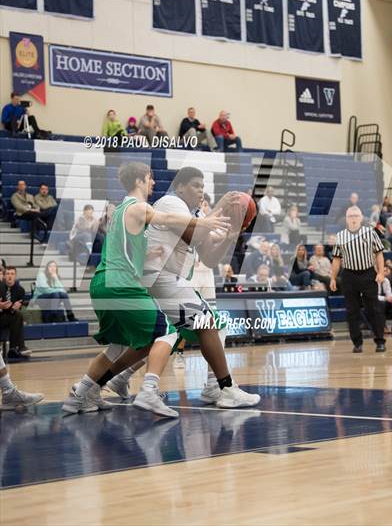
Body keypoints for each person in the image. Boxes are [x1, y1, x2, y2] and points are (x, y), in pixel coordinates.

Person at [63, 162, 259, 415]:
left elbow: (209, 257)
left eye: (203, 186)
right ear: (179, 187)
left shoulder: (194, 215)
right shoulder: (169, 203)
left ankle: (92, 387)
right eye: (196, 186)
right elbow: (196, 236)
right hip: (156, 278)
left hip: (142, 280)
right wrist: (221, 207)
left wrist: (231, 234)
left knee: (142, 341)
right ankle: (222, 387)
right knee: (206, 323)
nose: (201, 191)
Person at [330, 206, 386, 353]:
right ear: (346, 219)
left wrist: (380, 272)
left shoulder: (370, 233)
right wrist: (333, 278)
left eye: (356, 215)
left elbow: (379, 254)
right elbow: (336, 259)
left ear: (361, 217)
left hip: (368, 274)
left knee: (373, 309)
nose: (353, 218)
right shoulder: (340, 236)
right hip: (349, 275)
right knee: (352, 311)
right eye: (350, 216)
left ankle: (380, 341)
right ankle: (357, 343)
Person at [0, 266, 31, 360]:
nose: (10, 276)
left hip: (11, 316)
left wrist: (17, 307)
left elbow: (20, 304)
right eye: (8, 274)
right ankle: (20, 347)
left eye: (12, 274)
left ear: (15, 276)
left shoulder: (20, 290)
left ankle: (13, 349)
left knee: (18, 315)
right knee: (18, 318)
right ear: (4, 276)